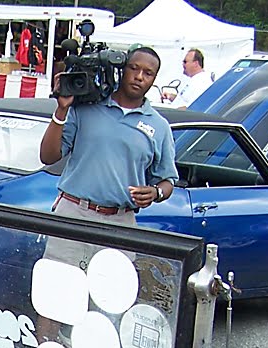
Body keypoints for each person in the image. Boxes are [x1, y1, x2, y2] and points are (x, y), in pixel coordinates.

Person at [39, 46, 176, 231]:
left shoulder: (160, 126)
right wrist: (62, 109)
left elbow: (167, 181)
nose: (139, 77)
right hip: (73, 213)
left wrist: (156, 192)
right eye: (134, 68)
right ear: (122, 69)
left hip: (121, 221)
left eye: (148, 73)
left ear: (154, 80)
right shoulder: (85, 108)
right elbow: (48, 157)